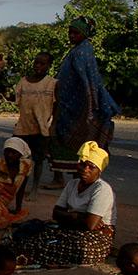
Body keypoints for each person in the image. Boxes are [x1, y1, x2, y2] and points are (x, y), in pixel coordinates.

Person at [16, 141, 116, 269]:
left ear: (99, 171)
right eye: (83, 165)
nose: (85, 170)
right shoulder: (72, 184)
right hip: (72, 229)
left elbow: (90, 225)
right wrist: (77, 216)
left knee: (55, 248)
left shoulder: (102, 189)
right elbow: (56, 213)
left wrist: (69, 216)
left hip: (96, 237)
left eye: (92, 167)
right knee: (36, 237)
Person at [46, 16, 120, 188]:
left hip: (77, 108)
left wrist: (90, 107)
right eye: (70, 32)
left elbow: (88, 81)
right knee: (62, 141)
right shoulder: (78, 49)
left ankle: (73, 180)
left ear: (84, 34)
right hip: (68, 106)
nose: (71, 36)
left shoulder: (82, 52)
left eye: (75, 33)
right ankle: (63, 179)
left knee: (70, 142)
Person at [13, 51, 56, 196]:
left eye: (42, 63)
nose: (38, 66)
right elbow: (19, 103)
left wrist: (53, 125)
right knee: (19, 158)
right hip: (23, 127)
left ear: (49, 66)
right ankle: (19, 186)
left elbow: (57, 106)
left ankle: (34, 188)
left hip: (41, 128)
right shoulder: (23, 82)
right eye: (36, 62)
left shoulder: (52, 84)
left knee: (38, 160)